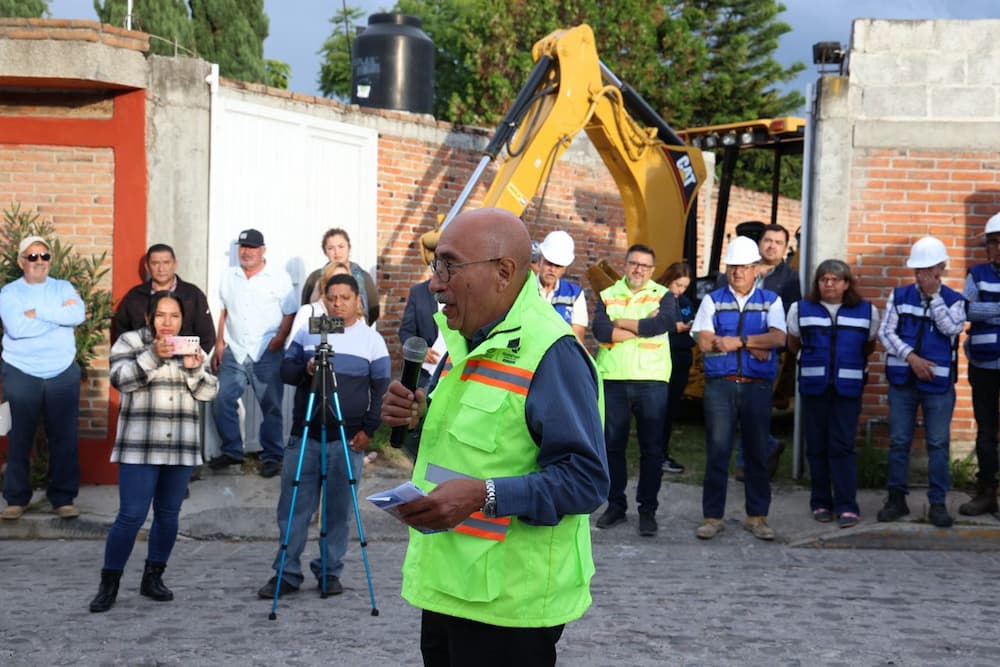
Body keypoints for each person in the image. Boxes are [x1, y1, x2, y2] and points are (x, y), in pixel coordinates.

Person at [380, 208, 608, 667]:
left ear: (503, 272)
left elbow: (586, 481)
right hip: (450, 589)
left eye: (449, 264)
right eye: (435, 266)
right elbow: (471, 441)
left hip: (510, 607)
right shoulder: (465, 340)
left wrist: (484, 495)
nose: (436, 283)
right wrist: (418, 418)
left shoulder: (553, 353)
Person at [258, 274, 390, 599]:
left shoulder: (371, 340)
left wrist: (368, 431)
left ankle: (330, 572)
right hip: (305, 436)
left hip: (346, 439)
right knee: (293, 509)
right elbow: (285, 372)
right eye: (332, 297)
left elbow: (381, 388)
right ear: (324, 300)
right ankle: (286, 573)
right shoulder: (309, 331)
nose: (338, 303)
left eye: (345, 297)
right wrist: (306, 368)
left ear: (357, 301)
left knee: (338, 511)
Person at [88, 291, 219, 613]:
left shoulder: (190, 344)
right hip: (140, 447)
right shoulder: (131, 342)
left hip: (180, 448)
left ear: (182, 319)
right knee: (131, 516)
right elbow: (121, 380)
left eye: (174, 316)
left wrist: (194, 369)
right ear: (149, 317)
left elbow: (209, 392)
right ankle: (110, 583)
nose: (168, 322)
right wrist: (154, 356)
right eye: (161, 315)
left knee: (168, 515)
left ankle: (153, 576)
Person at [692, 235, 786, 541]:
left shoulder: (771, 301)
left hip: (756, 386)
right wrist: (753, 346)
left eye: (744, 267)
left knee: (757, 451)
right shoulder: (712, 300)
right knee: (717, 451)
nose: (737, 273)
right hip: (721, 385)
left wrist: (739, 341)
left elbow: (779, 339)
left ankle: (757, 517)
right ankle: (712, 516)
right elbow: (706, 341)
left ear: (756, 269)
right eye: (733, 267)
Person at [877, 236, 966, 528]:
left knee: (938, 444)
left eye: (928, 269)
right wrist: (912, 357)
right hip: (903, 381)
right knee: (900, 441)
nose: (921, 275)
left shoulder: (954, 300)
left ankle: (938, 504)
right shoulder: (899, 296)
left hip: (938, 386)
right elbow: (886, 334)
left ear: (941, 268)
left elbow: (951, 329)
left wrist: (935, 297)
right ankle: (896, 499)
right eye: (918, 270)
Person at [592, 243, 677, 536]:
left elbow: (663, 324)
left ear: (652, 271)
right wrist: (641, 325)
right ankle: (616, 505)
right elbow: (601, 331)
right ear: (625, 264)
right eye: (634, 263)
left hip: (651, 381)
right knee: (612, 447)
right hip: (614, 378)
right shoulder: (607, 294)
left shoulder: (663, 296)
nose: (638, 269)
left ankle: (647, 510)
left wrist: (623, 323)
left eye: (644, 265)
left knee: (651, 449)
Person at [787, 260, 879, 529]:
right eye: (824, 279)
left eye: (835, 279)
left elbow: (868, 346)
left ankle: (847, 506)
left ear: (846, 284)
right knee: (816, 446)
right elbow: (794, 343)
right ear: (817, 283)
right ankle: (820, 502)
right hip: (815, 387)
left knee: (842, 446)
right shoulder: (800, 309)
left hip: (848, 389)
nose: (829, 284)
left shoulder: (866, 312)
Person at [0, 235, 85, 521]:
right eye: (32, 257)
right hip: (21, 370)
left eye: (44, 256)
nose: (39, 262)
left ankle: (63, 498)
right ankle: (16, 499)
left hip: (61, 370)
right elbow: (17, 327)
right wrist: (56, 319)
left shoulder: (63, 287)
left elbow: (78, 313)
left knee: (64, 436)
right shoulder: (10, 293)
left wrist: (38, 313)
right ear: (21, 261)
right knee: (19, 436)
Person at [209, 228, 297, 478]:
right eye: (242, 247)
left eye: (252, 248)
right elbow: (224, 311)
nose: (246, 252)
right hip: (234, 349)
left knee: (271, 406)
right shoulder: (229, 276)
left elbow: (290, 311)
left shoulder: (278, 277)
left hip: (266, 351)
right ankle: (232, 452)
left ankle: (272, 456)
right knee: (222, 399)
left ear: (263, 251)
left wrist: (280, 339)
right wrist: (219, 343)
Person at [721, 223, 801, 480]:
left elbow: (786, 318)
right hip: (732, 347)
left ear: (785, 248)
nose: (771, 246)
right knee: (736, 408)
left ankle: (747, 462)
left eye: (778, 242)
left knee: (756, 407)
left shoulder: (790, 279)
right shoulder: (741, 270)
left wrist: (757, 343)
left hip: (766, 351)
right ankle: (765, 447)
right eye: (768, 240)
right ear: (759, 243)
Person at [960, 214, 1000, 516]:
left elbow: (978, 309)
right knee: (986, 431)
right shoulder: (977, 274)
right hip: (984, 364)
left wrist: (987, 312)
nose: (997, 248)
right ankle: (986, 492)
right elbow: (966, 309)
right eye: (993, 242)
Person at [112, 243, 215, 353]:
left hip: (182, 364)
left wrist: (192, 363)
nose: (161, 269)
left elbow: (207, 336)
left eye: (166, 263)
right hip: (143, 364)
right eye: (155, 263)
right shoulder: (135, 296)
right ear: (147, 266)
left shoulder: (192, 295)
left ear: (175, 264)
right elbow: (120, 333)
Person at [301, 228, 380, 324]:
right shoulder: (315, 278)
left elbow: (374, 310)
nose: (337, 252)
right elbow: (306, 310)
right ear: (325, 252)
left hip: (356, 333)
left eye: (341, 246)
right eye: (331, 248)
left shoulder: (363, 277)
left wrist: (355, 328)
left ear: (349, 248)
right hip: (322, 335)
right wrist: (339, 327)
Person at [661, 262, 694, 475]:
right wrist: (675, 328)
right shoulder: (657, 297)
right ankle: (658, 454)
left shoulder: (684, 301)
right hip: (664, 359)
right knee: (659, 411)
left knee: (670, 411)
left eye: (684, 286)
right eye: (678, 285)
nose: (680, 290)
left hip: (682, 359)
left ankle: (663, 452)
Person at [536, 230, 588, 345]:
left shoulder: (575, 294)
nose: (552, 269)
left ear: (565, 268)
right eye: (549, 263)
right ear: (540, 260)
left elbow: (577, 340)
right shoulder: (524, 288)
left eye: (558, 266)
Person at [399, 276, 443, 389]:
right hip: (425, 374)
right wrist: (420, 351)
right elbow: (406, 331)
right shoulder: (418, 292)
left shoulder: (466, 292)